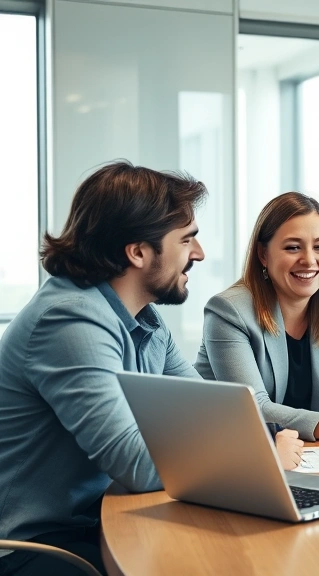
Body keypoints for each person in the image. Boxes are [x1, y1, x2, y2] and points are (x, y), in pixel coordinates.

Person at [0, 162, 302, 576]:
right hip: (38, 546)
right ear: (138, 251)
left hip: (108, 515)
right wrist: (263, 456)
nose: (199, 253)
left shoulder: (142, 315)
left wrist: (251, 448)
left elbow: (217, 414)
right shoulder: (68, 322)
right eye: (187, 240)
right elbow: (137, 465)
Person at [196, 192, 319, 441]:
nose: (309, 260)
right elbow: (255, 408)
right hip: (229, 450)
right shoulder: (228, 311)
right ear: (263, 255)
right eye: (293, 247)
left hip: (302, 452)